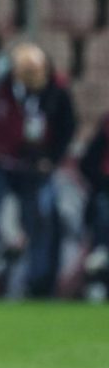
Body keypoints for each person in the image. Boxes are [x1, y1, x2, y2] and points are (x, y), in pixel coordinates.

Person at [0, 42, 76, 297]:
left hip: (33, 166)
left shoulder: (56, 90)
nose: (36, 78)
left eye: (39, 72)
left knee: (40, 221)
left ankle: (38, 286)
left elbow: (67, 127)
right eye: (29, 72)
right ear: (16, 72)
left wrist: (51, 159)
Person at [79, 112, 109, 298]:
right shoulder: (106, 128)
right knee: (101, 247)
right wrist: (103, 183)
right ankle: (98, 285)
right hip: (105, 194)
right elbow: (87, 163)